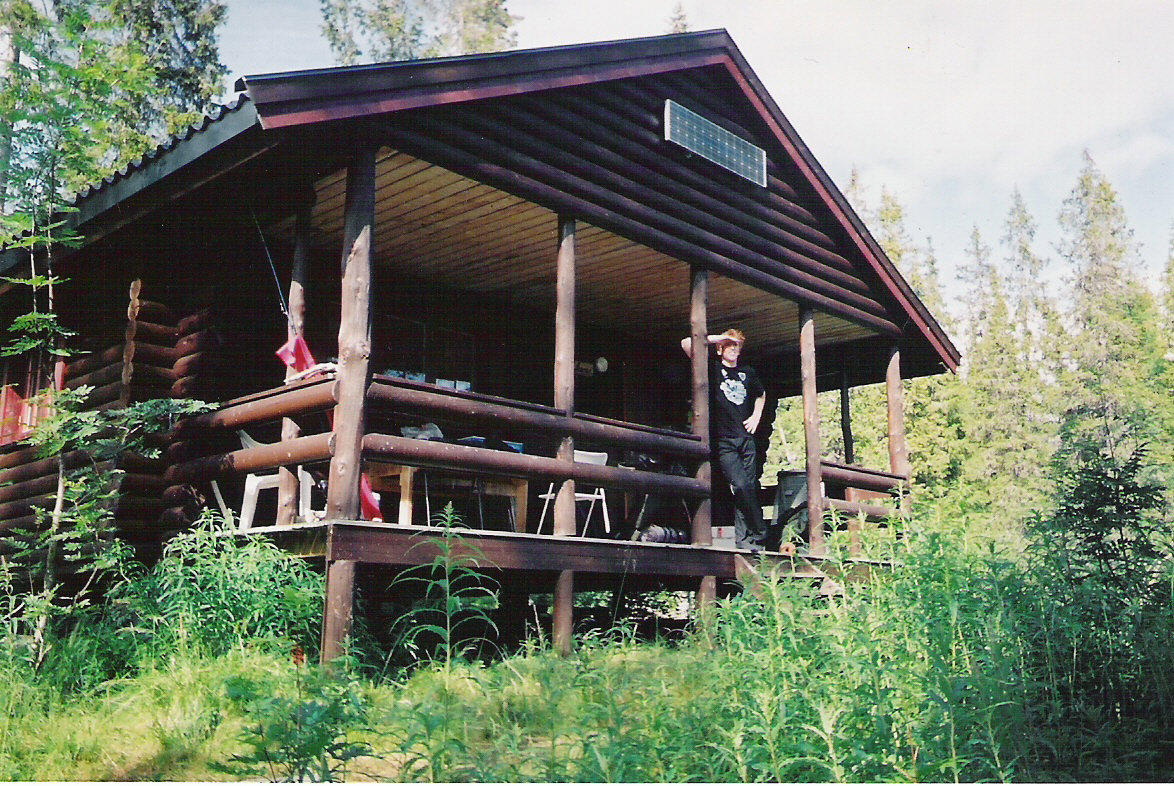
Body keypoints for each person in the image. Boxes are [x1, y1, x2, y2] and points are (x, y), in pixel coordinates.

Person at [681, 328, 768, 551]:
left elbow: (761, 395)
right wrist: (720, 339)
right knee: (740, 485)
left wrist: (756, 417)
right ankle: (761, 529)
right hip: (724, 441)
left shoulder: (747, 373)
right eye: (729, 345)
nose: (733, 349)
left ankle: (744, 541)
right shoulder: (712, 369)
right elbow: (686, 343)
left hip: (746, 440)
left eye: (736, 345)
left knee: (747, 488)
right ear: (720, 349)